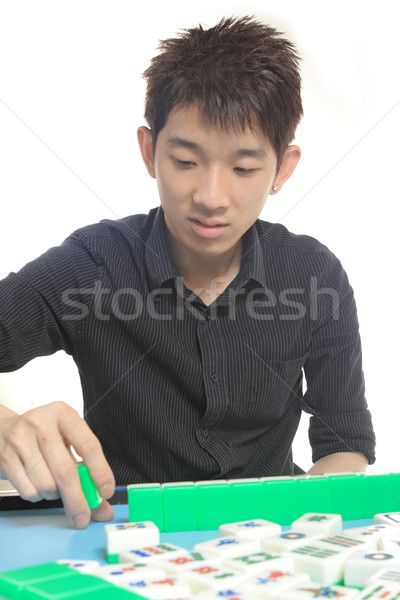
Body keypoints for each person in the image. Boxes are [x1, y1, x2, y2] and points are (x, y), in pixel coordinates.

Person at [0, 16, 375, 529]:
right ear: (150, 151)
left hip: (268, 546)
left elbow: (346, 446)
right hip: (117, 537)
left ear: (283, 169)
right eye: (185, 160)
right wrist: (5, 428)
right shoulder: (90, 265)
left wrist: (302, 534)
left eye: (244, 169)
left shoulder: (315, 276)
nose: (211, 198)